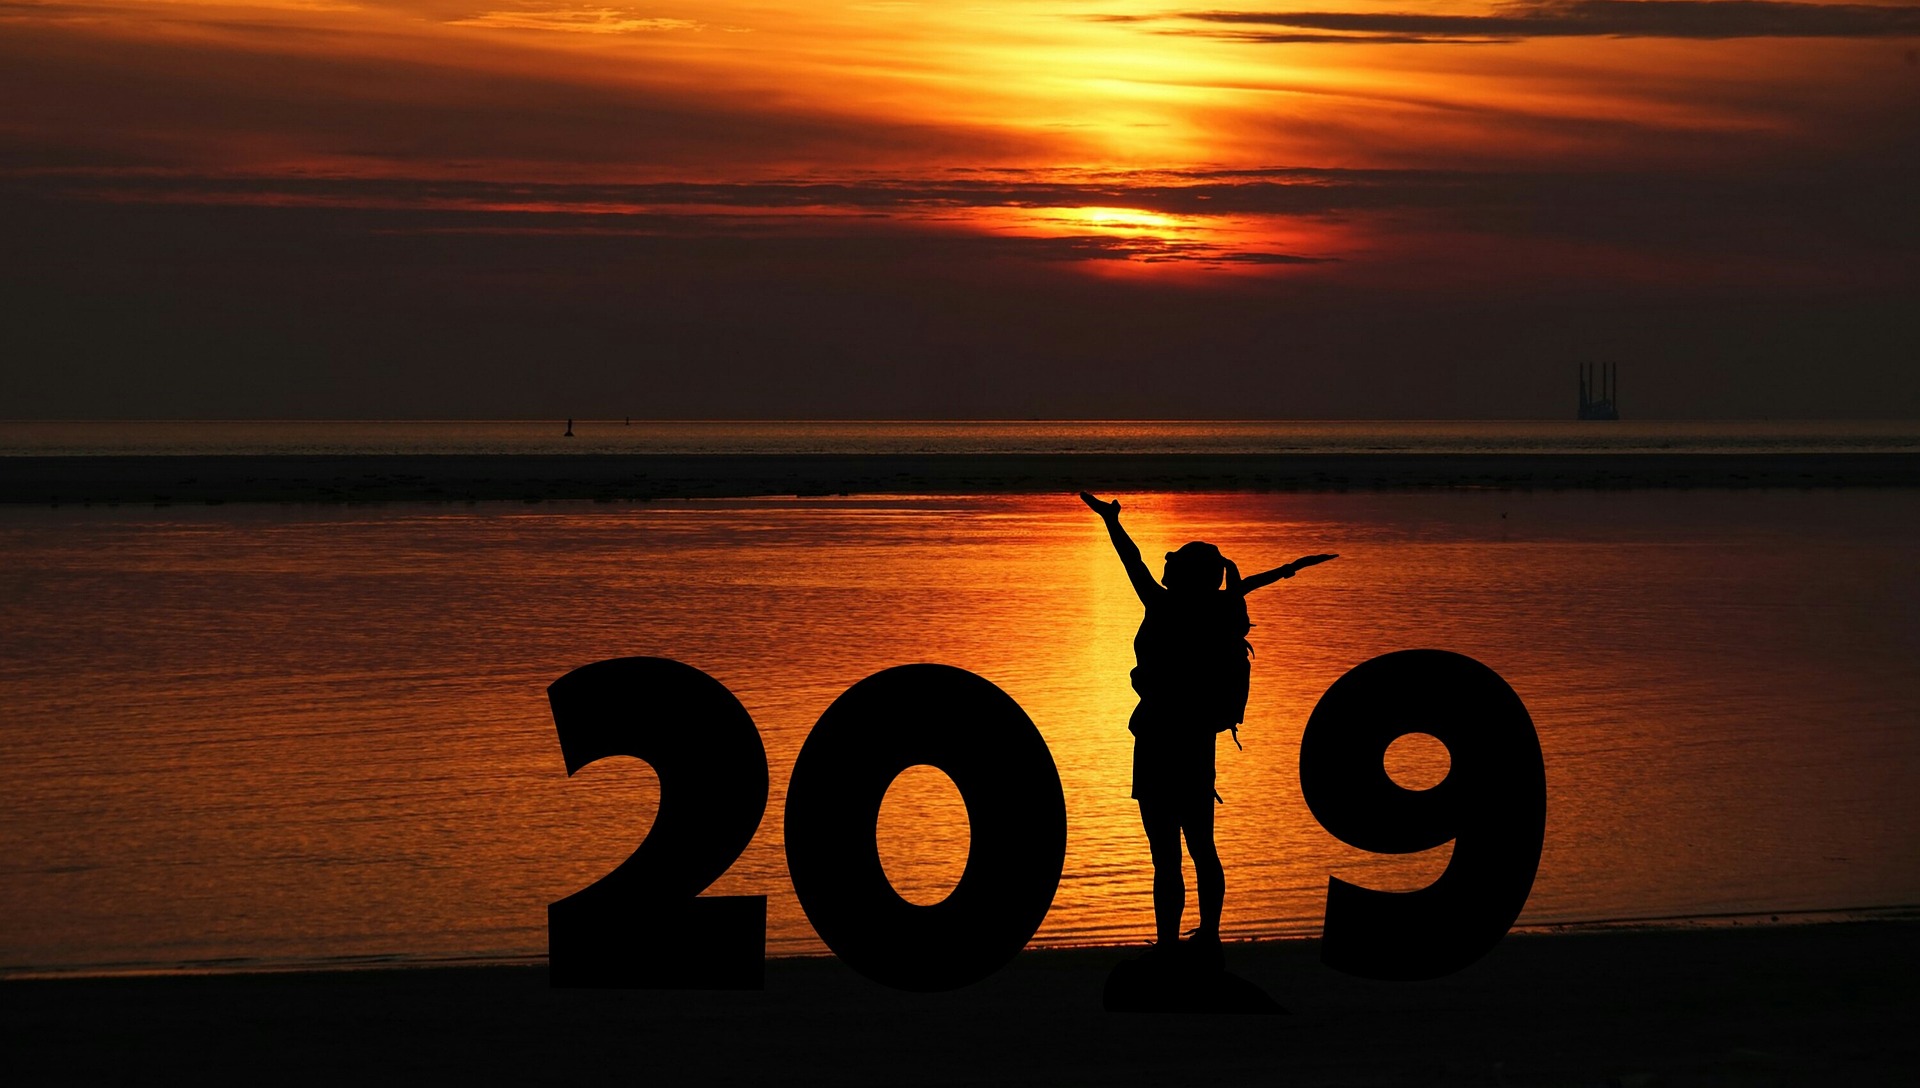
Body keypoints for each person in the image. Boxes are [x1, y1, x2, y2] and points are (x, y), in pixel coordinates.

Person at [1080, 491, 1336, 968]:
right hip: (1197, 741)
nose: (1164, 567)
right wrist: (1286, 570)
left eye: (1174, 564)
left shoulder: (1161, 605)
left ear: (1180, 575)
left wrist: (1112, 522)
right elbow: (1244, 589)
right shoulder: (1218, 612)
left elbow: (1129, 559)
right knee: (1202, 846)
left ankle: (1168, 944)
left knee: (1166, 855)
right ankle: (1210, 936)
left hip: (1157, 738)